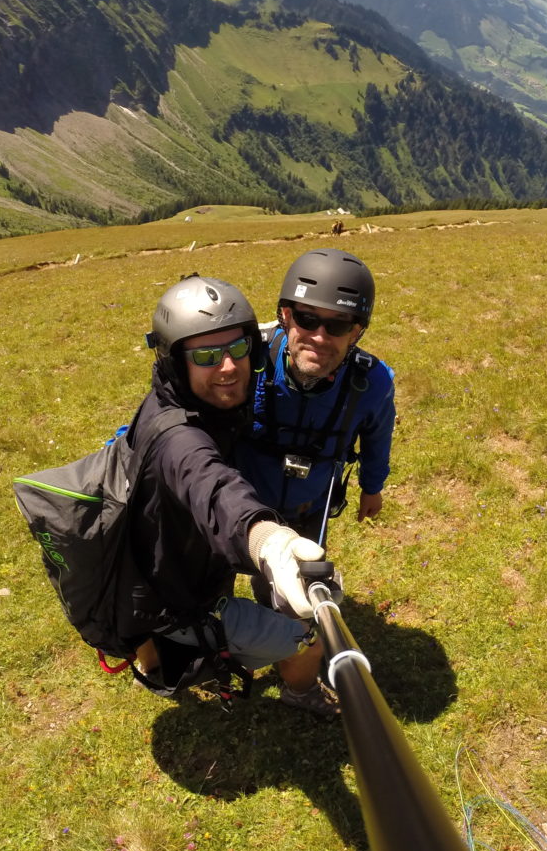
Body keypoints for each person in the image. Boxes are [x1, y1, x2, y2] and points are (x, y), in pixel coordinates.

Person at [125, 274, 340, 717]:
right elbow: (212, 487)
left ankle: (155, 660)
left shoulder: (166, 403)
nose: (228, 367)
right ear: (174, 361)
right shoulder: (180, 441)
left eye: (237, 349)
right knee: (308, 639)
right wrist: (270, 542)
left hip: (147, 587)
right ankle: (301, 693)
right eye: (205, 355)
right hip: (185, 606)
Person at [234, 249, 397, 546]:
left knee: (293, 589)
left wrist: (371, 488)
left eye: (338, 325)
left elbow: (377, 439)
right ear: (286, 316)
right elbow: (184, 410)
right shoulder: (247, 360)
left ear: (356, 333)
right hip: (239, 507)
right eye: (307, 318)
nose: (320, 337)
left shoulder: (371, 384)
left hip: (309, 512)